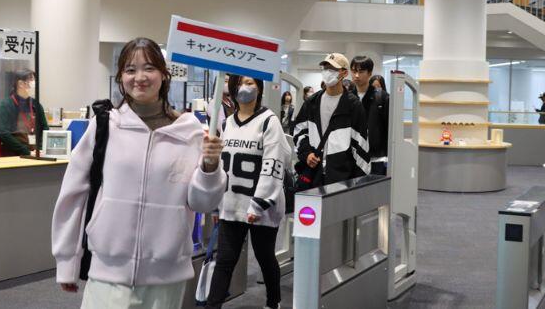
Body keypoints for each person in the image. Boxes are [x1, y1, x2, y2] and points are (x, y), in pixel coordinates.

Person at [51, 38, 226, 309]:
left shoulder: (189, 132)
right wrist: (67, 261)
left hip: (166, 274)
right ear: (121, 77)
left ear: (164, 74)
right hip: (109, 270)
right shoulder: (105, 125)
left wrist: (210, 167)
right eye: (130, 70)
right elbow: (73, 194)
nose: (140, 77)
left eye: (149, 68)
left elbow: (203, 203)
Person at [206, 75, 290, 309]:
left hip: (261, 207)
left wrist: (258, 204)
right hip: (231, 203)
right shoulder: (227, 123)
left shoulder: (269, 121)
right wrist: (217, 204)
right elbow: (222, 166)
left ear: (259, 88)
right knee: (224, 261)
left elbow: (274, 163)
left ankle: (273, 302)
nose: (245, 87)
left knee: (265, 257)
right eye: (241, 83)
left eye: (251, 83)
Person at [292, 53, 370, 186]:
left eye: (333, 69)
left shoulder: (353, 105)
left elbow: (361, 144)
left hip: (341, 177)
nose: (328, 72)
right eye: (325, 68)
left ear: (344, 73)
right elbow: (299, 131)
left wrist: (358, 183)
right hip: (314, 175)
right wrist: (307, 154)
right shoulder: (312, 102)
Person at [350, 56, 389, 175]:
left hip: (376, 158)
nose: (356, 75)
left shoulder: (382, 97)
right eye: (354, 71)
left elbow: (389, 128)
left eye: (361, 71)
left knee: (376, 187)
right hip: (352, 157)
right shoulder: (347, 98)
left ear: (370, 73)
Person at [0, 69, 49, 156]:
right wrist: (26, 152)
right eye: (31, 80)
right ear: (20, 84)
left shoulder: (36, 104)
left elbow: (45, 129)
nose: (34, 84)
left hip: (36, 153)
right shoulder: (6, 105)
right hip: (14, 155)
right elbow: (4, 134)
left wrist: (39, 149)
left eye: (34, 80)